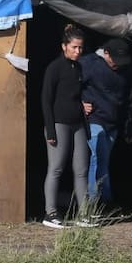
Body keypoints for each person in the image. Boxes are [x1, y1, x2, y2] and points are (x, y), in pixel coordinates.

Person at [40, 24, 92, 228]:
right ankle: (50, 213)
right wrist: (50, 129)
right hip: (59, 124)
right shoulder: (55, 68)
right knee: (56, 168)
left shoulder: (78, 68)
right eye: (74, 47)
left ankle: (85, 213)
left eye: (80, 48)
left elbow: (75, 96)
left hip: (77, 124)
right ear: (64, 47)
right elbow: (46, 99)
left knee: (81, 169)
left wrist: (83, 110)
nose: (78, 51)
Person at [80, 37, 132, 209]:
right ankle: (93, 201)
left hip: (113, 122)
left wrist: (129, 128)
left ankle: (104, 201)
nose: (117, 65)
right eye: (114, 60)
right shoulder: (89, 64)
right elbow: (70, 85)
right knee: (97, 158)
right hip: (94, 119)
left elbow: (131, 100)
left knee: (103, 160)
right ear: (105, 54)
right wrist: (79, 104)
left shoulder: (126, 70)